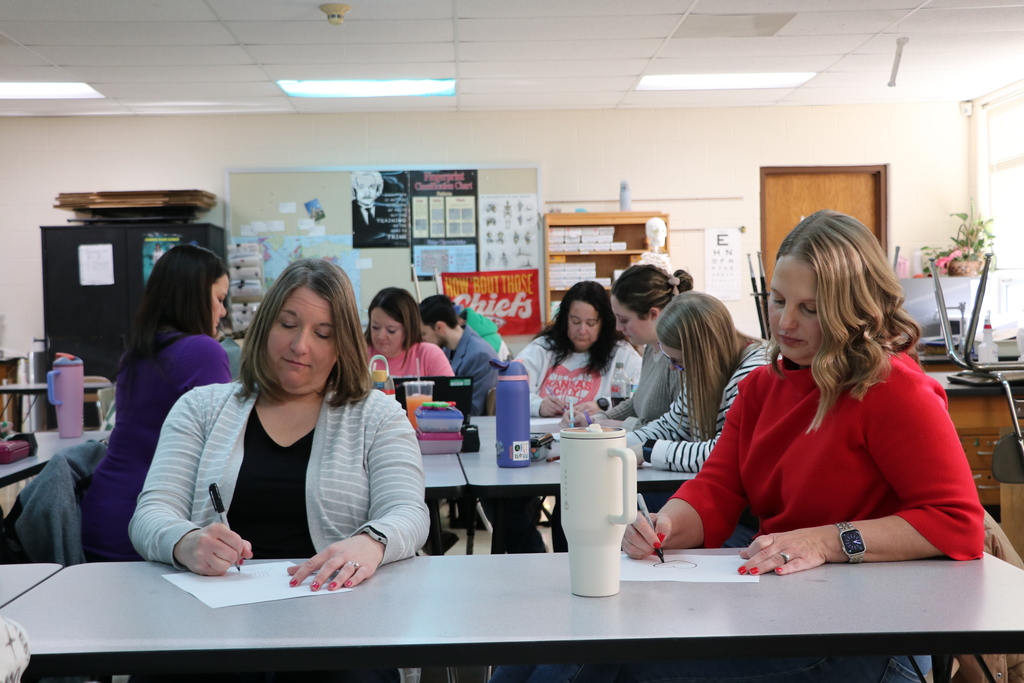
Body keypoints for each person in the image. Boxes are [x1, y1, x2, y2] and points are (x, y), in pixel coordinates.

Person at [495, 210, 985, 683]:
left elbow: (956, 522)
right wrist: (667, 525)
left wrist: (825, 540)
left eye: (809, 309)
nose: (785, 322)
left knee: (614, 661)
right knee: (540, 645)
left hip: (872, 635)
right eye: (777, 301)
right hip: (785, 608)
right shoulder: (762, 389)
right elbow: (718, 486)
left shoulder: (892, 389)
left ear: (851, 309)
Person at [129, 259, 427, 683]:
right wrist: (187, 542)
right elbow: (151, 512)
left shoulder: (377, 416)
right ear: (265, 326)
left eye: (322, 334)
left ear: (342, 344)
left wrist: (369, 543)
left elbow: (409, 512)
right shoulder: (200, 408)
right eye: (288, 324)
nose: (300, 346)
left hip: (338, 622)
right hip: (211, 623)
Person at [80, 244, 231, 562]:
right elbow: (222, 449)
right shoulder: (204, 351)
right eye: (218, 299)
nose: (223, 311)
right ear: (194, 296)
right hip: (154, 524)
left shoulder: (135, 354)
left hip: (102, 513)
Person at [625, 290, 767, 474]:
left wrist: (649, 450)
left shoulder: (756, 372)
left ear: (703, 354)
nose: (672, 368)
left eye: (679, 361)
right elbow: (672, 426)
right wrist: (614, 445)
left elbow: (727, 454)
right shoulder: (707, 371)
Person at [588, 265, 693, 430]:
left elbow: (680, 430)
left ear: (652, 314)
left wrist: (626, 425)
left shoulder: (678, 360)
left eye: (623, 320)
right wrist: (599, 418)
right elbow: (638, 402)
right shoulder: (651, 348)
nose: (618, 327)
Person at [516, 281, 641, 418]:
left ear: (603, 323)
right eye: (575, 322)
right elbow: (512, 392)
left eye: (591, 324)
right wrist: (538, 405)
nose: (582, 331)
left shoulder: (621, 354)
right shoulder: (542, 348)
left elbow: (640, 394)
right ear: (565, 319)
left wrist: (603, 404)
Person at [419, 294, 499, 416]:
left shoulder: (481, 356)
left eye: (423, 333)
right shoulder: (446, 349)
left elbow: (472, 411)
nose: (421, 340)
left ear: (439, 327)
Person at [366, 287, 453, 378]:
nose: (381, 336)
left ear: (409, 328)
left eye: (391, 330)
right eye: (375, 327)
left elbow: (452, 392)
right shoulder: (360, 355)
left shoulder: (429, 355)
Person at [351, 170, 395, 247]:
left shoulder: (388, 210)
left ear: (378, 189)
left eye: (372, 187)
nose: (367, 193)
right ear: (354, 190)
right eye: (361, 187)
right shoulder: (348, 211)